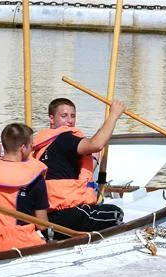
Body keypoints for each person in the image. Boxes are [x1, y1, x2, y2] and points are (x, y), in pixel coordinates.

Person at [34, 98, 126, 237]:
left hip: (49, 215)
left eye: (73, 116)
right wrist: (114, 115)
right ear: (51, 119)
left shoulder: (44, 145)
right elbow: (97, 144)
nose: (69, 121)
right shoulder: (65, 139)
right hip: (68, 214)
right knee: (116, 214)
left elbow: (91, 153)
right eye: (64, 116)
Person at [0, 123, 49, 254]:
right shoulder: (34, 177)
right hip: (23, 244)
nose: (32, 150)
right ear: (23, 148)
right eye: (31, 146)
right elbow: (41, 224)